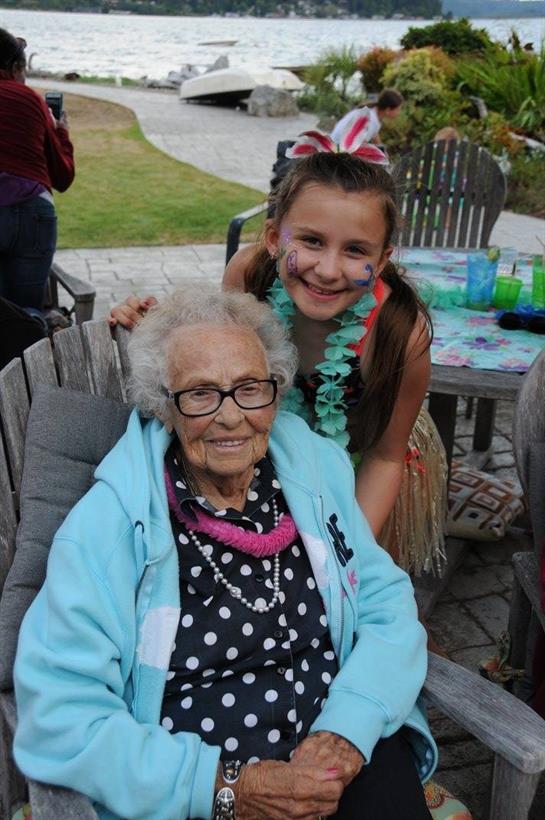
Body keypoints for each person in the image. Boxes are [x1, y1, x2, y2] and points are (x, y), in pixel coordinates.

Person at [14, 286, 437, 820]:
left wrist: (348, 730)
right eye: (200, 394)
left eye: (249, 388)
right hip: (201, 789)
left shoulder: (312, 469)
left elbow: (385, 604)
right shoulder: (109, 527)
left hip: (339, 757)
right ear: (164, 405)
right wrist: (227, 788)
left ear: (275, 392)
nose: (232, 417)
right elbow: (62, 716)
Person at [110, 121, 447, 579]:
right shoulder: (250, 276)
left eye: (355, 250)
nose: (327, 270)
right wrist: (153, 323)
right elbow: (216, 353)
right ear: (274, 238)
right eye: (311, 241)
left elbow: (385, 457)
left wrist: (345, 558)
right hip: (271, 452)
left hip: (366, 459)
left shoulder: (400, 334)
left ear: (382, 259)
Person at [0, 28, 75, 313]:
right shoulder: (29, 99)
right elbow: (62, 176)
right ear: (15, 68)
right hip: (32, 212)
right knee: (26, 312)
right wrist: (62, 133)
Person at [331, 88, 404, 148]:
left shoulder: (373, 112)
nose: (399, 112)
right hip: (336, 150)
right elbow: (360, 147)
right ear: (388, 110)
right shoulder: (371, 120)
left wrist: (383, 152)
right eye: (398, 109)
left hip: (334, 143)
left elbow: (375, 135)